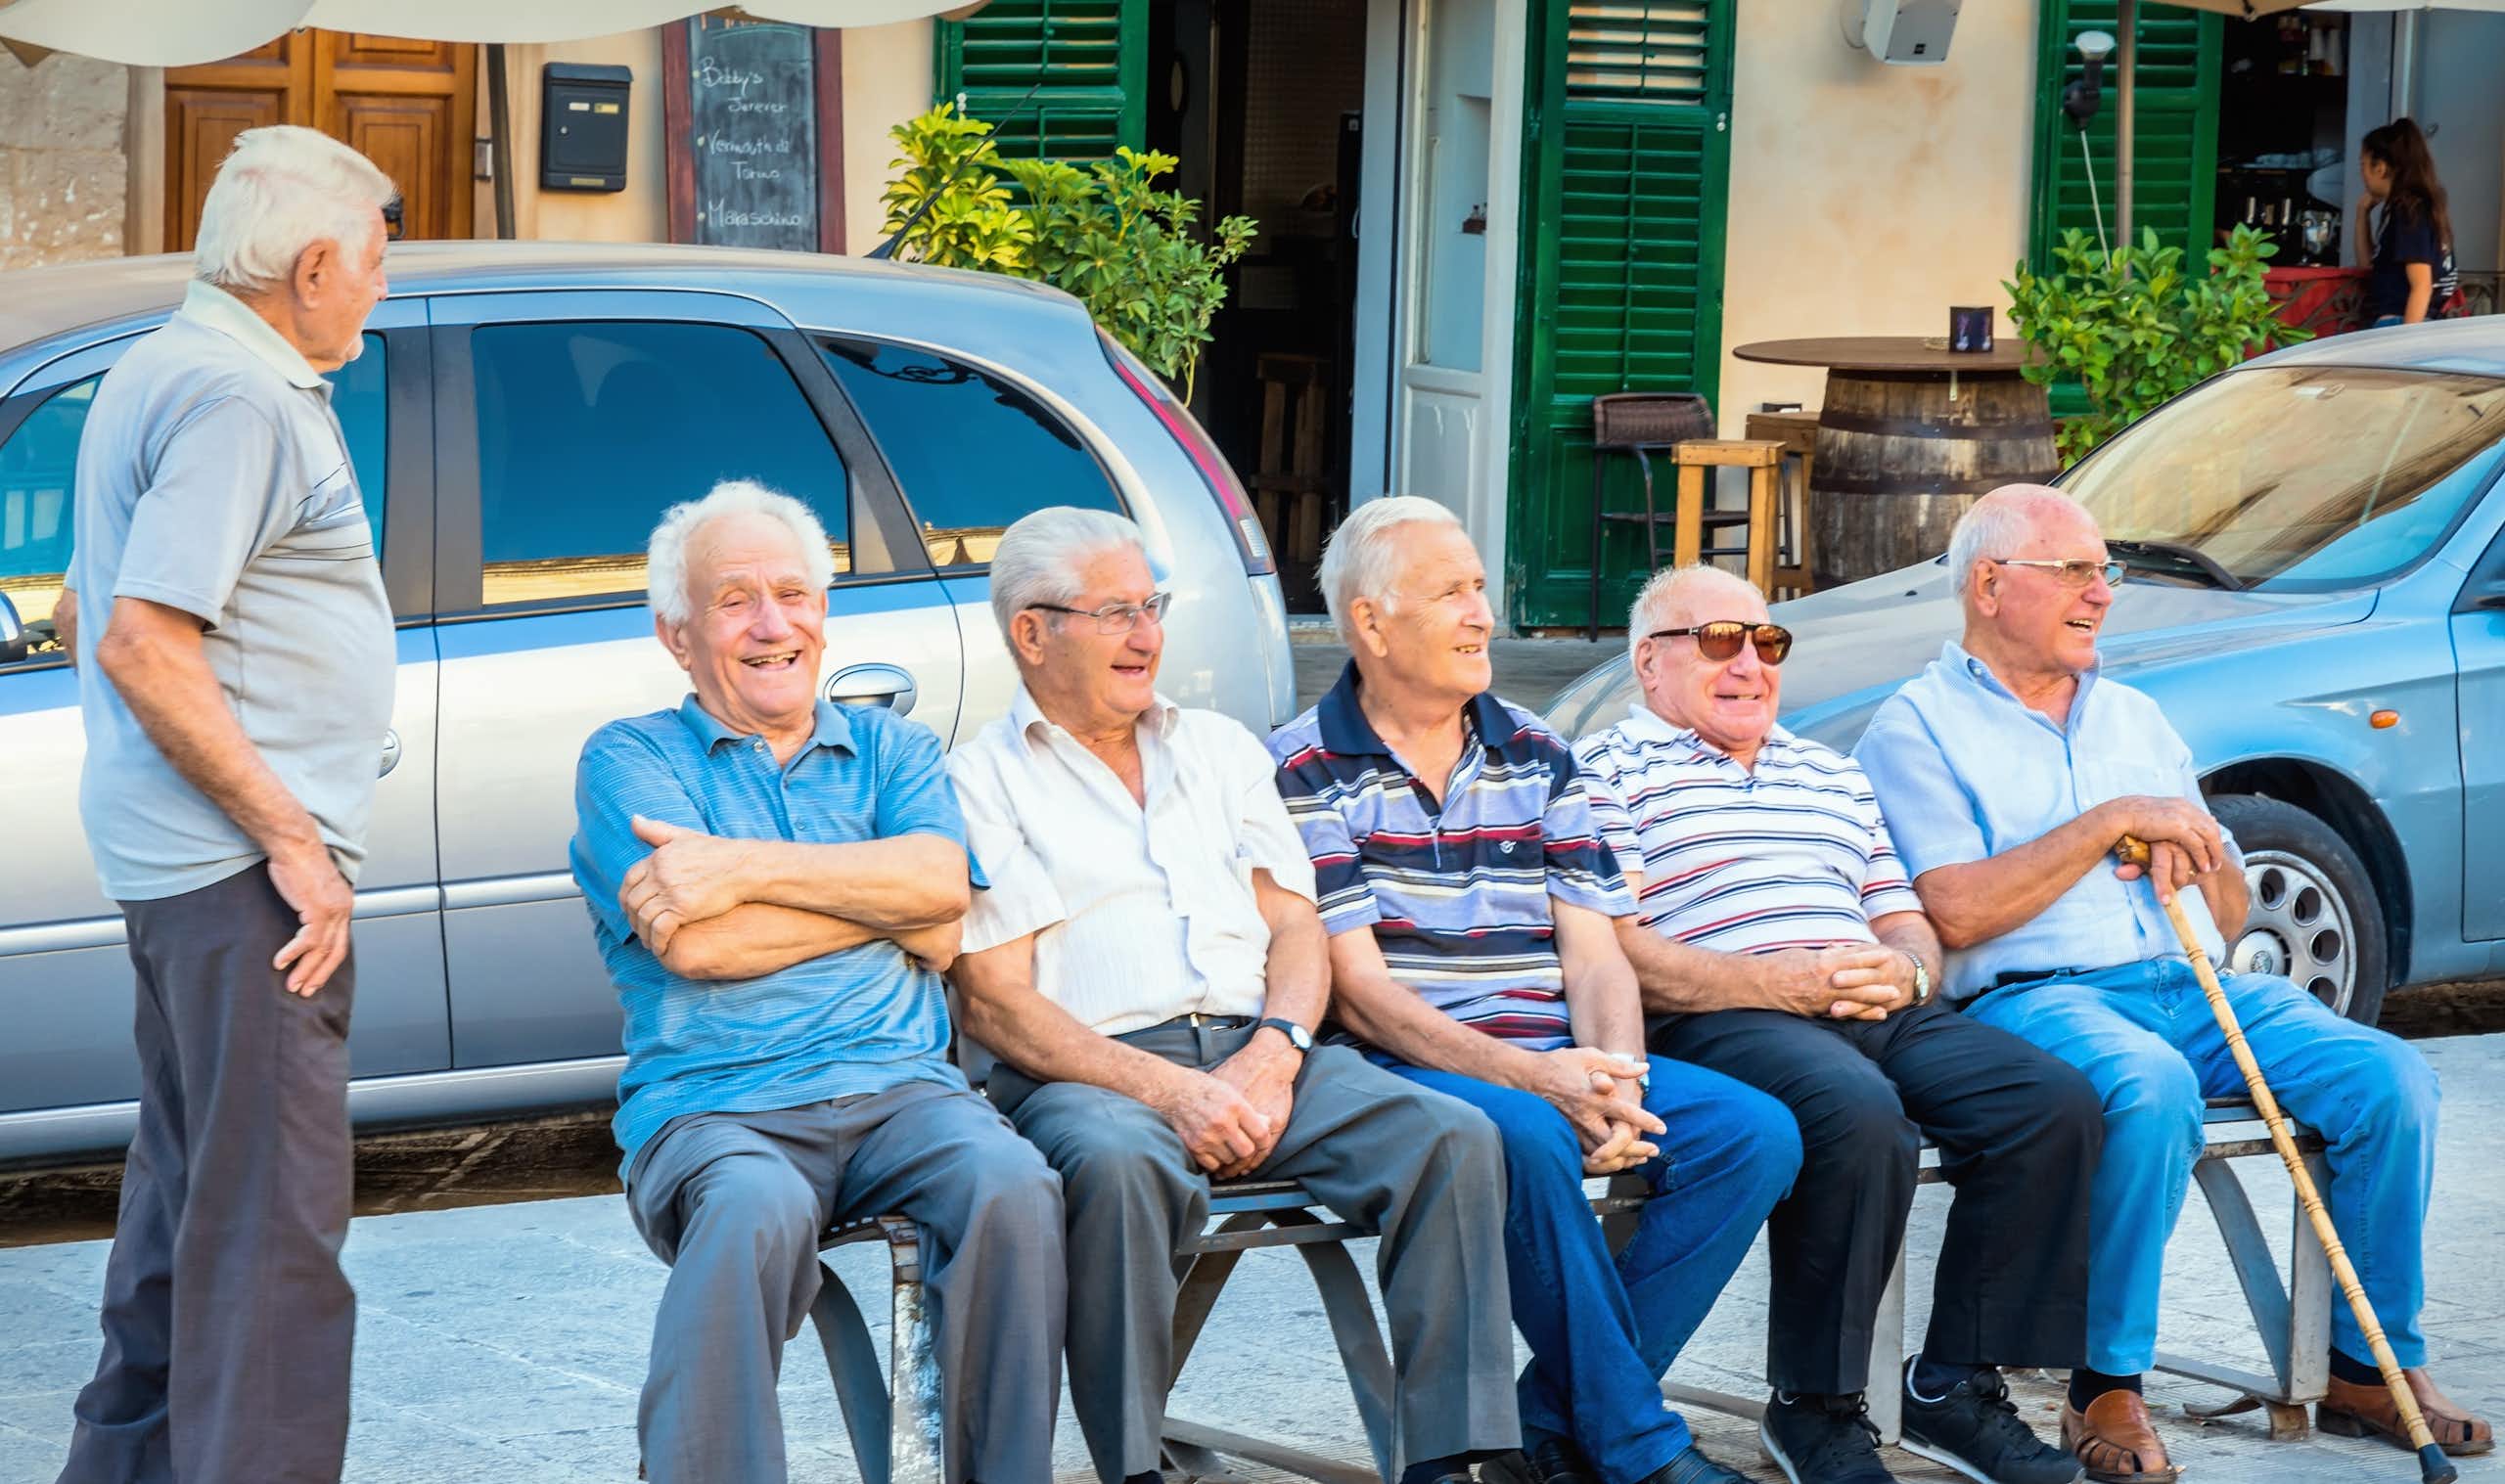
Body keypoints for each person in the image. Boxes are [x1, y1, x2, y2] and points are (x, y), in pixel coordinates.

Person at [1855, 485, 2490, 1482]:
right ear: (1989, 583)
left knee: (2386, 1078)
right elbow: (1957, 914)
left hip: (2185, 981)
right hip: (2032, 994)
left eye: (2102, 571)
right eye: (2073, 569)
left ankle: (2371, 1361)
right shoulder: (1915, 727)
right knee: (2146, 1087)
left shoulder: (2134, 715)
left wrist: (2203, 858)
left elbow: (2225, 915)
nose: (2100, 592)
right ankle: (2102, 1380)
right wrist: (2102, 824)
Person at [945, 507, 1519, 1484]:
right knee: (1120, 1165)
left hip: (1262, 1049)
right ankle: (1133, 1464)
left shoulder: (1217, 747)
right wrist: (1173, 1092)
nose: (1145, 633)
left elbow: (1297, 926)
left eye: (1151, 605)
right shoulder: (979, 779)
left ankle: (1453, 1457)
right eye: (1113, 610)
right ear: (1030, 631)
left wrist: (1276, 1047)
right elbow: (997, 1004)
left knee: (1451, 1136)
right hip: (1091, 1073)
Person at [1266, 497, 1802, 1484]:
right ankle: (1639, 1446)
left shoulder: (1537, 748)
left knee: (1752, 1132)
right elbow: (1363, 993)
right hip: (1410, 1060)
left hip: (1553, 1051)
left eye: (1480, 587)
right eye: (1450, 593)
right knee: (1525, 1131)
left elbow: (1595, 953)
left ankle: (1554, 1416)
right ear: (1370, 624)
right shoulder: (1300, 765)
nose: (1482, 615)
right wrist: (1547, 1079)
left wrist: (1617, 1078)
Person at [569, 480, 1064, 1484]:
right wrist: (880, 901)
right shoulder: (628, 757)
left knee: (1011, 1181)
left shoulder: (894, 746)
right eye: (735, 599)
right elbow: (697, 949)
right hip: (718, 1111)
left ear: (824, 613)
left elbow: (940, 894)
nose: (771, 623)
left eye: (793, 594)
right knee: (754, 1204)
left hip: (905, 1092)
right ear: (677, 632)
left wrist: (736, 869)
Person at [1575, 563, 2101, 1484]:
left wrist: (1902, 969)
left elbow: (1904, 920)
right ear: (1647, 665)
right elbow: (1623, 950)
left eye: (1766, 642)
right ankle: (1817, 1406)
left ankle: (1953, 1389)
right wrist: (1781, 986)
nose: (1749, 663)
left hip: (1862, 1001)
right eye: (1718, 641)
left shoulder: (1828, 770)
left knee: (2050, 1102)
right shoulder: (1606, 773)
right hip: (1723, 1008)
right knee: (1858, 1115)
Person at [55, 124, 396, 1484]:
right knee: (272, 1243)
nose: (377, 286)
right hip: (235, 877)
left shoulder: (162, 366)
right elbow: (141, 636)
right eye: (370, 261)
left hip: (178, 864)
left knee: (188, 1210)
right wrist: (294, 838)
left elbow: (94, 602)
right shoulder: (240, 398)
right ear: (312, 265)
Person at [2356, 118, 2460, 327]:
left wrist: (2408, 343)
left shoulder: (2409, 211)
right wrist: (2362, 214)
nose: (2362, 174)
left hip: (2401, 322)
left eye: (2364, 165)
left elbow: (2421, 285)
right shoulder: (2416, 207)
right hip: (2412, 321)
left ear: (2381, 168)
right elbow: (2367, 265)